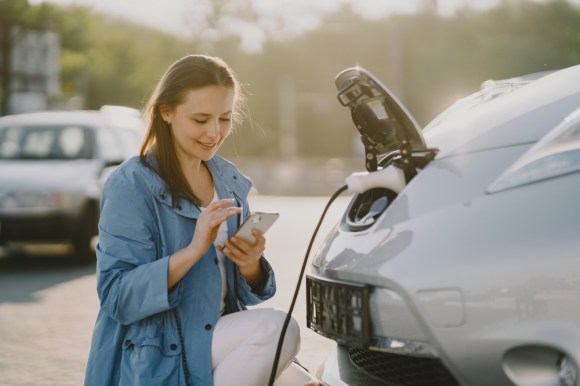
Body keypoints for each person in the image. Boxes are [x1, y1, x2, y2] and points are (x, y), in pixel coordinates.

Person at [84, 54, 316, 386]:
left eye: (224, 118)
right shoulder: (130, 184)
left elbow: (247, 295)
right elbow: (117, 297)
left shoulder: (229, 182)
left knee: (305, 380)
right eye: (201, 119)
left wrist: (249, 265)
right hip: (160, 349)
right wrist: (193, 250)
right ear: (166, 111)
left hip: (216, 336)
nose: (214, 132)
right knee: (277, 331)